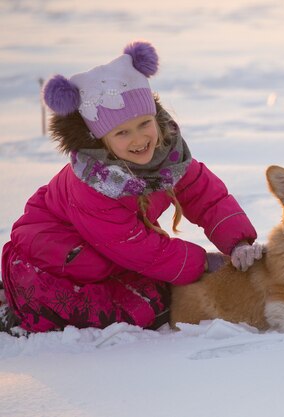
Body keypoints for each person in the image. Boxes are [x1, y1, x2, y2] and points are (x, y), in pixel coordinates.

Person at [0, 41, 263, 334]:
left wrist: (237, 243)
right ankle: (18, 309)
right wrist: (202, 261)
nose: (139, 139)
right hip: (51, 254)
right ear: (101, 140)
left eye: (144, 123)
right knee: (134, 302)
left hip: (108, 249)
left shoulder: (168, 157)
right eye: (122, 132)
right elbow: (136, 248)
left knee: (151, 287)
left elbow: (206, 196)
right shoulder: (93, 185)